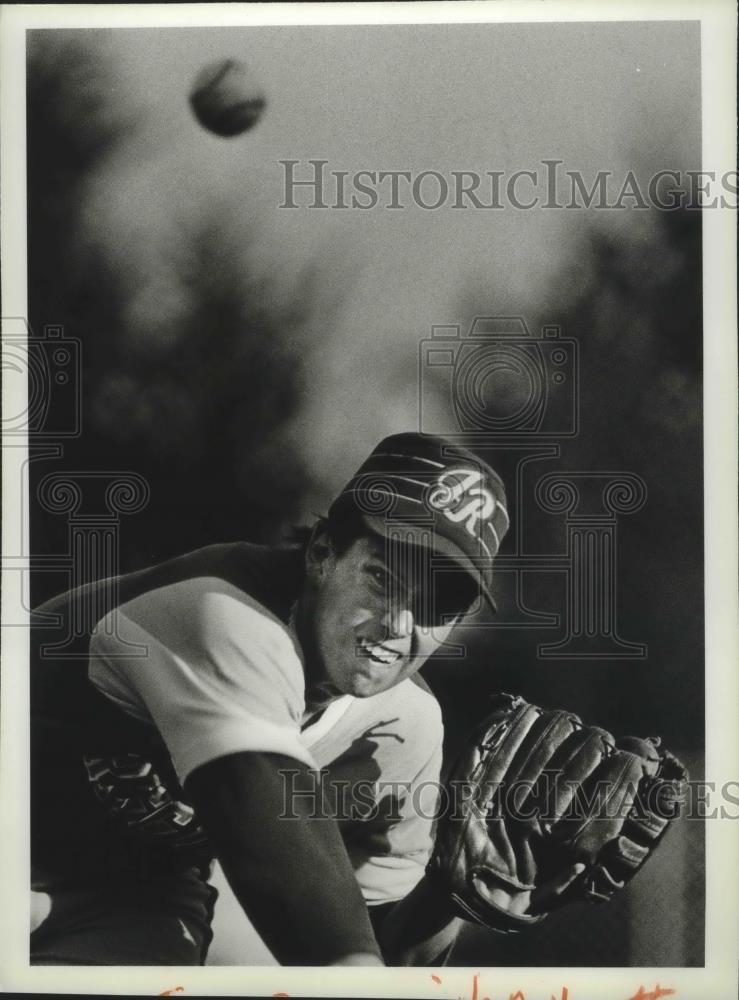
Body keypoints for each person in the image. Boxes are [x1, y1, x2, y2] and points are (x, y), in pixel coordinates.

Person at [29, 431, 565, 966]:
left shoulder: (405, 725)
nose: (400, 626)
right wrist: (352, 965)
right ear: (322, 552)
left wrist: (447, 901)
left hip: (132, 891)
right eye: (382, 578)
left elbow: (384, 952)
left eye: (440, 606)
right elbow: (263, 807)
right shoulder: (221, 610)